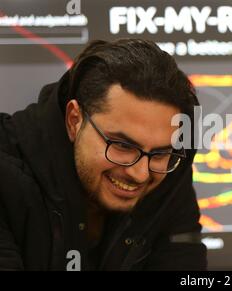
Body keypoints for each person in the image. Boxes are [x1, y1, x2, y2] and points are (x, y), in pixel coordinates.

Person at [0, 38, 207, 270]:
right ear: (74, 120)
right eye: (122, 146)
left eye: (159, 152)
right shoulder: (7, 173)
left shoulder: (168, 172)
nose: (139, 174)